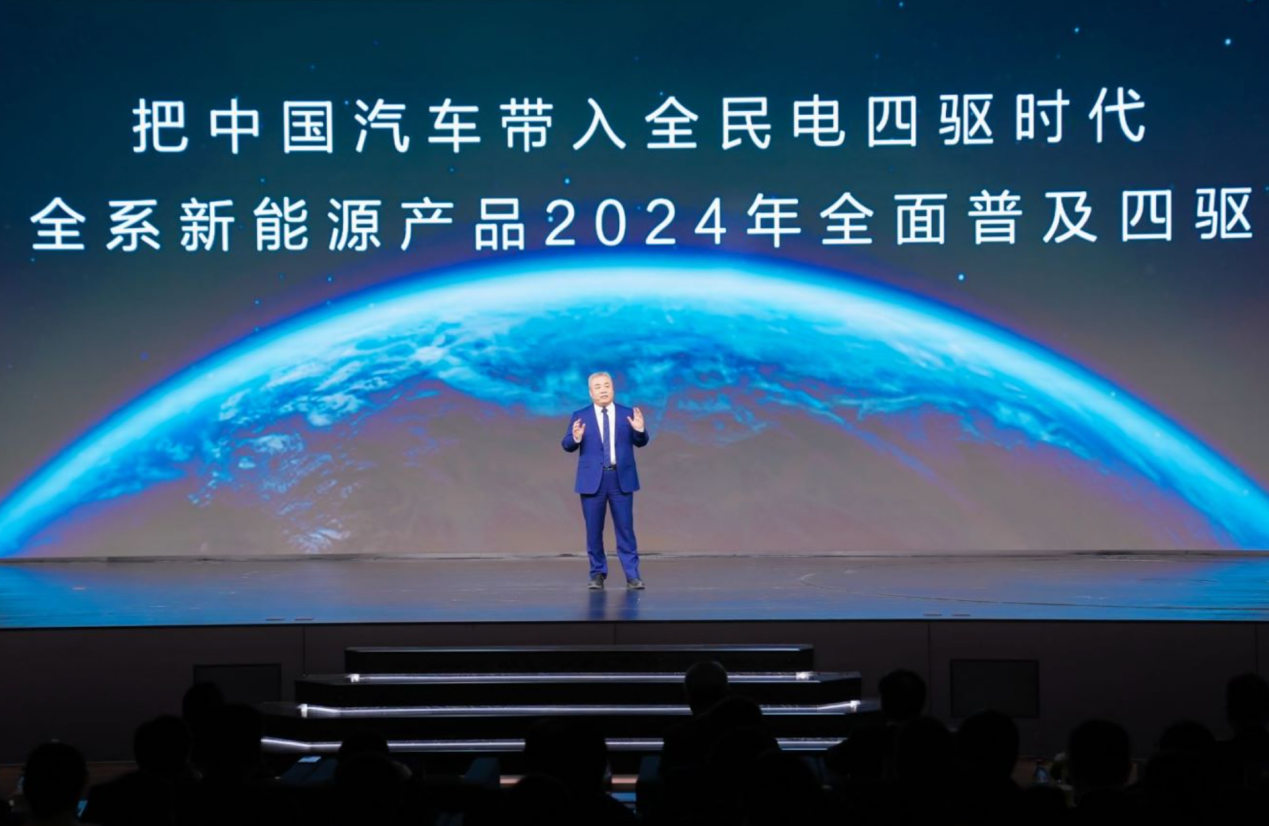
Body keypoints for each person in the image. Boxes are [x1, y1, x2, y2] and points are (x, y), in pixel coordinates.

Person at [561, 371, 650, 590]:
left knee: (625, 529)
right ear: (591, 392)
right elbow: (567, 444)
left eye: (607, 385)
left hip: (621, 478)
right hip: (593, 481)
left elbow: (641, 441)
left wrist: (640, 430)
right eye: (598, 387)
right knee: (594, 530)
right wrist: (576, 438)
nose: (603, 390)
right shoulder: (580, 416)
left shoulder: (627, 413)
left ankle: (632, 575)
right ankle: (597, 573)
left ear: (613, 389)